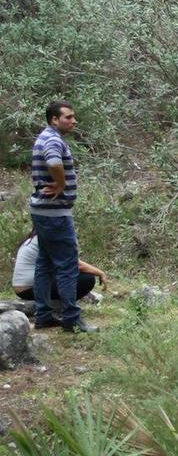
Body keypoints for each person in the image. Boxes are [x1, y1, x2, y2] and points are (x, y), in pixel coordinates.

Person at [29, 101, 98, 333]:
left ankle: (44, 315)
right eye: (68, 117)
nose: (73, 120)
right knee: (68, 265)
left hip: (42, 211)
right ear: (54, 120)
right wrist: (61, 183)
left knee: (45, 264)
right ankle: (71, 319)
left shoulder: (45, 137)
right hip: (55, 213)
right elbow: (53, 161)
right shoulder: (52, 140)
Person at [12, 231, 107, 303]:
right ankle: (62, 306)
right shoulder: (47, 238)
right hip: (30, 289)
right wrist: (100, 273)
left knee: (71, 274)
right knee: (87, 279)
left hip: (25, 289)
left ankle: (58, 304)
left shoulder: (34, 238)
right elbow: (74, 264)